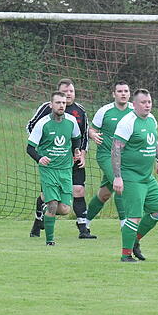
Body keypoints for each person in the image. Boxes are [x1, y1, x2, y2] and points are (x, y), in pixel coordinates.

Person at [27, 78, 96, 239]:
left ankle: (82, 228)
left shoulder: (79, 111)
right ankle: (41, 219)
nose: (67, 96)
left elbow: (82, 135)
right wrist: (43, 148)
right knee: (51, 199)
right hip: (50, 163)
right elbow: (31, 127)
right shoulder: (46, 110)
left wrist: (80, 153)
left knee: (76, 193)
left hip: (72, 159)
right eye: (64, 93)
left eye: (71, 91)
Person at [112, 89, 158, 262]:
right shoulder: (128, 122)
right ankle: (126, 255)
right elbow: (116, 149)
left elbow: (152, 142)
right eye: (143, 102)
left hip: (147, 177)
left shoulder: (151, 119)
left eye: (149, 102)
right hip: (131, 177)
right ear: (135, 104)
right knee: (134, 215)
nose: (147, 105)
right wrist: (118, 177)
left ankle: (135, 241)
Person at [26, 92, 82, 246]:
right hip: (48, 169)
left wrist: (76, 151)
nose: (61, 105)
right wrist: (40, 158)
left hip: (65, 169)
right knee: (53, 204)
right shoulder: (43, 123)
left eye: (63, 103)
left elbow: (76, 138)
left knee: (64, 209)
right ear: (51, 105)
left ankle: (43, 212)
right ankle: (50, 241)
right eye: (58, 102)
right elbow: (30, 148)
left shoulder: (71, 121)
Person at [84, 81, 133, 229]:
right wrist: (93, 135)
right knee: (120, 184)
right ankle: (125, 224)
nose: (123, 94)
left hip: (126, 157)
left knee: (104, 194)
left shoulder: (134, 110)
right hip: (106, 155)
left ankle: (83, 222)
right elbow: (91, 129)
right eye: (119, 91)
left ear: (129, 94)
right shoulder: (104, 111)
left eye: (125, 91)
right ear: (114, 94)